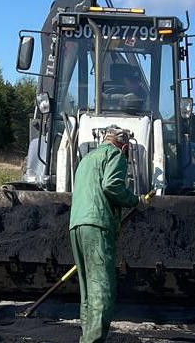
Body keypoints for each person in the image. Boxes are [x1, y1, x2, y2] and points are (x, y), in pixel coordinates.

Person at [68, 127, 150, 343]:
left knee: (87, 292)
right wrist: (135, 200)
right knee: (103, 291)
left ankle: (86, 338)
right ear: (124, 146)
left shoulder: (86, 159)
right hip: (98, 224)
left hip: (77, 225)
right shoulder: (115, 155)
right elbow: (111, 185)